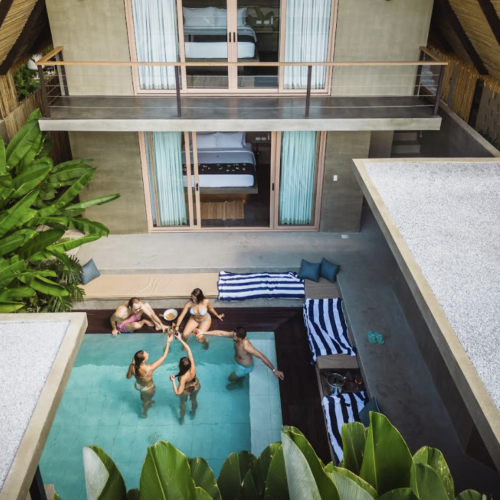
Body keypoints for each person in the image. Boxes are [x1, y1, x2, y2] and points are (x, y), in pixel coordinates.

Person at [202, 326, 284, 390]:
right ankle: (240, 380)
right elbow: (221, 333)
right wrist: (203, 332)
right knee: (234, 376)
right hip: (238, 362)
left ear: (240, 338)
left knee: (229, 379)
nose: (232, 335)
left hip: (244, 367)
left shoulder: (247, 346)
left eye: (234, 335)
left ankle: (239, 383)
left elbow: (261, 356)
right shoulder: (236, 337)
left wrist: (274, 370)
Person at [126, 335, 173, 418]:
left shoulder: (132, 366)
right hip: (147, 388)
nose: (148, 354)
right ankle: (144, 413)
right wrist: (168, 342)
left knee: (143, 395)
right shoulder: (149, 368)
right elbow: (164, 356)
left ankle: (143, 398)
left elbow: (128, 377)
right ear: (143, 360)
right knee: (147, 401)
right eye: (146, 354)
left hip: (137, 385)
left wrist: (132, 362)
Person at [169, 334, 201, 424]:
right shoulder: (193, 366)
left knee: (183, 403)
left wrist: (173, 381)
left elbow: (178, 393)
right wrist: (180, 339)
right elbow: (189, 350)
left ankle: (182, 419)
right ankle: (193, 413)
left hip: (186, 389)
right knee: (194, 400)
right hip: (196, 385)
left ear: (180, 365)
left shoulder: (183, 377)